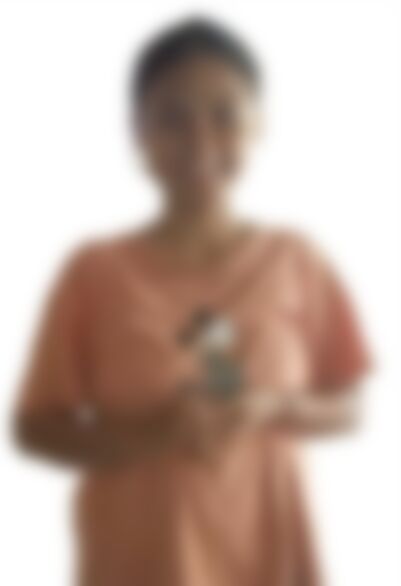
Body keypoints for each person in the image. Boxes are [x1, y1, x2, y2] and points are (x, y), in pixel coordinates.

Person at [14, 17, 371, 586]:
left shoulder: (296, 260)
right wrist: (151, 435)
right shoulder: (94, 272)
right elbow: (34, 428)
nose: (200, 140)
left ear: (259, 124)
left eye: (225, 115)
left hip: (266, 553)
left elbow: (351, 407)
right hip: (140, 557)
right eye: (172, 117)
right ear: (138, 130)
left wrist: (272, 405)